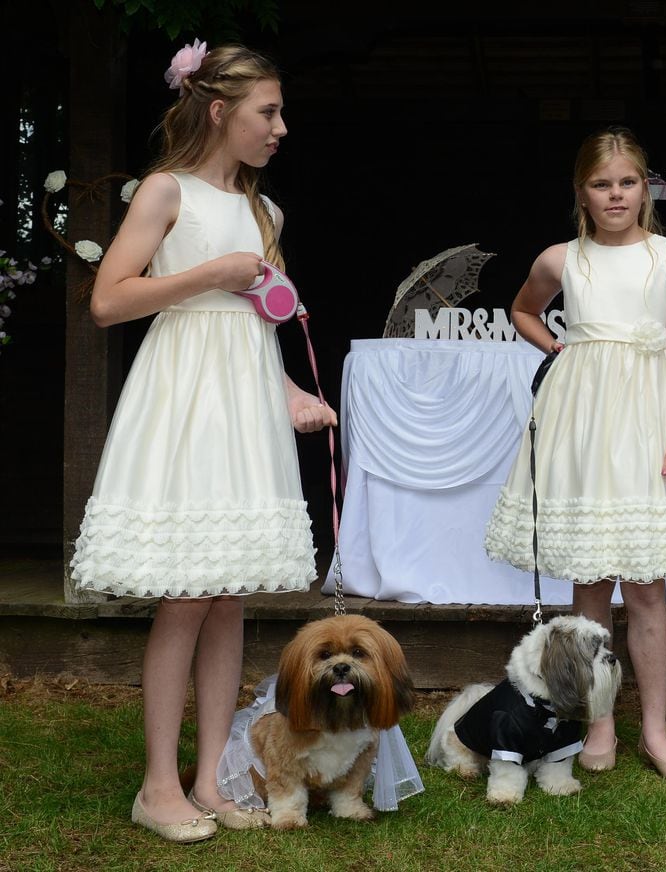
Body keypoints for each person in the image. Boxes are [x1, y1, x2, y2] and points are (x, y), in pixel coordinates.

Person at [70, 42, 337, 841]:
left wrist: (290, 393)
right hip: (183, 396)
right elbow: (109, 300)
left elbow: (258, 320)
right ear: (219, 111)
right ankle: (156, 787)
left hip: (243, 402)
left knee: (229, 594)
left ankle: (210, 777)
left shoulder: (266, 213)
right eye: (268, 112)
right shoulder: (165, 191)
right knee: (186, 593)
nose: (280, 128)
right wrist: (209, 273)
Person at [483, 126, 666, 781]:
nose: (616, 194)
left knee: (646, 583)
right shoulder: (563, 259)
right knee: (589, 579)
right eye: (602, 184)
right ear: (581, 193)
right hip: (583, 421)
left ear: (644, 187)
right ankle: (598, 725)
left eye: (627, 182)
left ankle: (656, 729)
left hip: (648, 418)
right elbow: (523, 310)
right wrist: (565, 356)